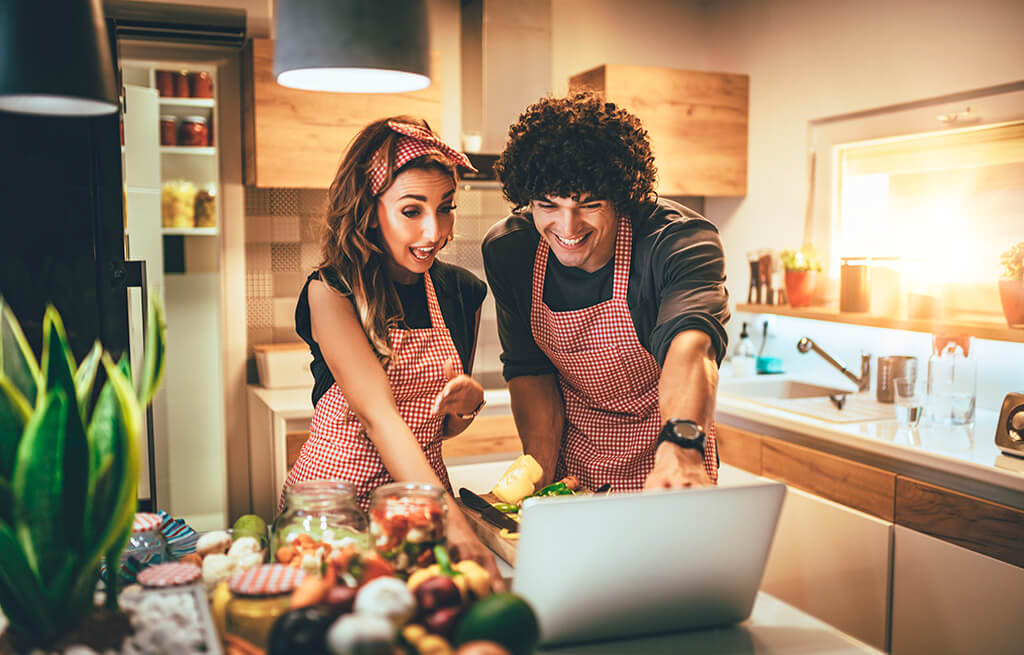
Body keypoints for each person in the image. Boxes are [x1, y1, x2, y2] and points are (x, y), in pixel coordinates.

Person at [284, 116, 500, 580]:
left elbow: (434, 431)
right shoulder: (332, 291)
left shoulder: (462, 291)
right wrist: (455, 525)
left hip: (418, 512)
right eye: (411, 210)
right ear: (369, 208)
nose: (433, 231)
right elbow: (378, 418)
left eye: (445, 207)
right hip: (335, 510)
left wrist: (467, 405)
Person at [482, 92, 730, 492]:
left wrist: (682, 448)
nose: (568, 226)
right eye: (548, 205)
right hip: (573, 465)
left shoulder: (678, 242)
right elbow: (530, 370)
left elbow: (691, 348)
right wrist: (539, 472)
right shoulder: (510, 250)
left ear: (621, 196)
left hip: (667, 460)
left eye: (589, 204)